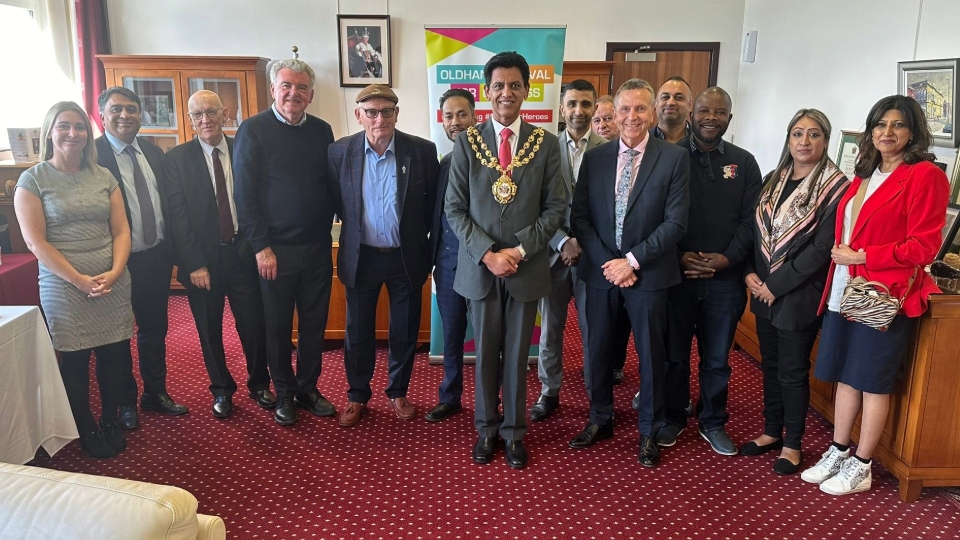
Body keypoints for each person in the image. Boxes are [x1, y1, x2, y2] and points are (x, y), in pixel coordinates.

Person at [802, 95, 949, 495]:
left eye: (898, 125)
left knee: (871, 380)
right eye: (880, 124)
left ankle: (863, 464)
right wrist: (847, 258)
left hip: (883, 293)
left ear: (913, 131)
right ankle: (839, 449)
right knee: (845, 377)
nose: (887, 132)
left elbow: (924, 247)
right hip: (844, 288)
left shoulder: (924, 175)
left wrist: (864, 255)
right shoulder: (864, 173)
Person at [446, 51, 566, 469]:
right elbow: (454, 209)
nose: (506, 93)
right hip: (480, 269)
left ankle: (514, 433)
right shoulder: (467, 142)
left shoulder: (545, 144)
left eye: (515, 85)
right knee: (484, 355)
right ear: (486, 91)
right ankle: (486, 429)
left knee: (516, 356)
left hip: (526, 267)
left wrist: (516, 251)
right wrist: (488, 254)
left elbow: (555, 208)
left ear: (527, 90)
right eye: (498, 85)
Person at [569, 78, 690, 468]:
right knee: (599, 350)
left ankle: (649, 430)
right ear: (614, 113)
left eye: (640, 108)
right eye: (625, 109)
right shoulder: (597, 157)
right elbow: (581, 218)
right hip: (601, 272)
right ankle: (600, 418)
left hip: (649, 275)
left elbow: (675, 224)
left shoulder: (673, 159)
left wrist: (632, 262)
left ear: (652, 113)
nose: (632, 117)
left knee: (651, 355)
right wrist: (611, 263)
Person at [15, 101, 134, 458]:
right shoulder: (33, 180)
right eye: (64, 126)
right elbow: (37, 242)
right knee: (77, 361)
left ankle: (111, 420)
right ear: (49, 131)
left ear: (88, 134)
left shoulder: (103, 176)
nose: (73, 134)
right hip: (63, 286)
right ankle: (86, 429)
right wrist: (80, 280)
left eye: (80, 127)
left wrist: (114, 272)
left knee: (115, 355)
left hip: (112, 281)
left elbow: (122, 230)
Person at [741, 109, 850, 474]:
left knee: (791, 370)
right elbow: (755, 233)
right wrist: (750, 275)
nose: (804, 142)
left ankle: (792, 443)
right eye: (798, 134)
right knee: (769, 364)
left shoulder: (837, 187)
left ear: (826, 140)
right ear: (788, 139)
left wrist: (775, 285)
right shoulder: (774, 178)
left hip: (800, 293)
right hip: (763, 290)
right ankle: (772, 430)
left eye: (814, 134)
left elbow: (822, 248)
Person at [233, 58, 337, 427]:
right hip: (273, 251)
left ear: (310, 94)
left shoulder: (322, 131)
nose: (294, 93)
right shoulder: (253, 130)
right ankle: (284, 393)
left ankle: (309, 387)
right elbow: (243, 195)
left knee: (314, 324)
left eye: (302, 88)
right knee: (277, 327)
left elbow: (329, 184)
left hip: (317, 248)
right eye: (286, 86)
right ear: (274, 89)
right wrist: (261, 246)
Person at [328, 84, 438, 427]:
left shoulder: (421, 151)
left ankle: (398, 392)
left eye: (386, 111)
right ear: (359, 115)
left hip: (405, 257)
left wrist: (429, 251)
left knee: (404, 330)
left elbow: (433, 207)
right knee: (357, 331)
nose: (380, 118)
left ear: (396, 113)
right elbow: (333, 202)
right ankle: (356, 395)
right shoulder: (339, 152)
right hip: (361, 257)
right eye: (371, 112)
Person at [659, 87, 762, 456]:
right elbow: (657, 216)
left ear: (729, 119)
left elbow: (752, 221)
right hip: (677, 275)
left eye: (720, 112)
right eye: (704, 110)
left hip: (725, 279)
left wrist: (728, 259)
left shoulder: (745, 162)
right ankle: (671, 417)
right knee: (674, 355)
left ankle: (713, 421)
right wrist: (679, 256)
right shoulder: (668, 158)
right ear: (691, 114)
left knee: (717, 359)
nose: (710, 117)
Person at [164, 90, 273, 419]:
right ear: (190, 120)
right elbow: (177, 217)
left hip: (242, 253)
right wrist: (194, 263)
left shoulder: (245, 148)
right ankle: (222, 389)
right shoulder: (177, 159)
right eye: (197, 115)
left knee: (253, 325)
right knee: (209, 329)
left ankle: (259, 384)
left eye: (211, 112)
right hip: (203, 261)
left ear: (226, 113)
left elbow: (261, 199)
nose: (205, 120)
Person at [96, 87, 188, 428]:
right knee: (119, 333)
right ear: (102, 114)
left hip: (154, 257)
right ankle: (125, 403)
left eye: (132, 109)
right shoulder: (92, 156)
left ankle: (155, 392)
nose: (125, 116)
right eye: (117, 109)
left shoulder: (153, 153)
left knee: (154, 328)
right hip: (113, 262)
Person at [532, 79, 608, 422]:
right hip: (552, 251)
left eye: (586, 104)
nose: (579, 111)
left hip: (594, 257)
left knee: (595, 330)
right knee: (551, 329)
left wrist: (584, 243)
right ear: (561, 109)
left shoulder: (609, 149)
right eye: (572, 104)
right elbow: (534, 204)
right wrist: (562, 241)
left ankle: (596, 395)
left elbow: (611, 210)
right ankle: (549, 391)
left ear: (595, 109)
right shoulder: (542, 148)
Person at [425, 88, 476, 422]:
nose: (455, 122)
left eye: (462, 114)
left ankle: (490, 401)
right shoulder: (442, 162)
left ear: (475, 117)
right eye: (448, 116)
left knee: (488, 339)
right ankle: (450, 395)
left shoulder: (490, 161)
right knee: (452, 335)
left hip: (481, 266)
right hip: (446, 265)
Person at [652, 76, 693, 144]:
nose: (670, 103)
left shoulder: (702, 143)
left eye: (679, 98)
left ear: (690, 104)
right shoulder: (641, 142)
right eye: (665, 97)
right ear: (656, 103)